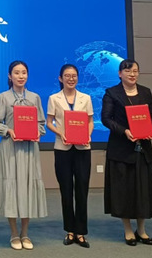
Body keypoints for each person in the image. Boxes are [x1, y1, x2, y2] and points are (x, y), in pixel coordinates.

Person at [101, 59, 152, 246]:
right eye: (128, 71)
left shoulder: (145, 92)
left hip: (142, 149)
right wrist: (125, 131)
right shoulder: (112, 93)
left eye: (135, 70)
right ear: (120, 74)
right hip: (121, 149)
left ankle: (142, 230)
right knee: (124, 190)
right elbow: (106, 119)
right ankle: (128, 229)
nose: (132, 74)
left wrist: (149, 129)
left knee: (143, 189)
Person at [0, 60, 47, 251]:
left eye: (23, 73)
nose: (20, 76)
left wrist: (37, 132)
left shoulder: (34, 97)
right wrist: (8, 130)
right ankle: (14, 233)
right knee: (12, 189)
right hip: (11, 149)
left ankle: (25, 233)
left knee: (28, 188)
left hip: (30, 149)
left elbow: (41, 123)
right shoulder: (3, 97)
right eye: (16, 73)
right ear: (9, 76)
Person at [46, 64, 94, 248]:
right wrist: (61, 133)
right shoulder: (54, 98)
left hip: (83, 148)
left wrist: (88, 134)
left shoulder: (86, 98)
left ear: (78, 78)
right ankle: (70, 230)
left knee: (82, 189)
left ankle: (81, 232)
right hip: (62, 148)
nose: (71, 79)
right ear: (61, 78)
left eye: (74, 76)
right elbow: (49, 122)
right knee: (66, 190)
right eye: (67, 75)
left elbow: (90, 121)